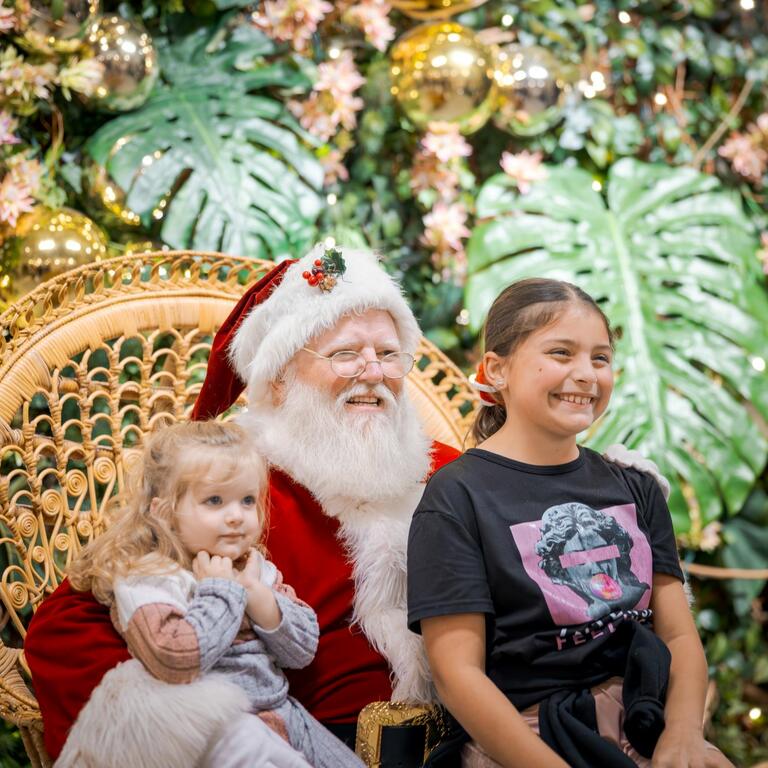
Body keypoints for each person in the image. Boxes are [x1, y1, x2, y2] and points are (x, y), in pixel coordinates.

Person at [25, 247, 669, 765]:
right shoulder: (226, 487)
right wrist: (221, 725)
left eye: (389, 355)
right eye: (344, 354)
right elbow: (66, 630)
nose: (374, 372)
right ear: (277, 378)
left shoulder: (453, 473)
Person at [407, 278, 733, 768]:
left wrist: (683, 737)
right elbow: (458, 676)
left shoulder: (634, 485)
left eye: (600, 359)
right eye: (561, 353)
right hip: (526, 739)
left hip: (647, 724)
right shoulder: (457, 496)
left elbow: (680, 637)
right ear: (497, 369)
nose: (586, 374)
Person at [58, 420, 363, 768]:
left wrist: (260, 598)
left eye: (247, 500)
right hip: (219, 733)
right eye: (214, 500)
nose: (236, 516)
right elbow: (173, 660)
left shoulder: (252, 566)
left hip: (285, 715)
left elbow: (302, 650)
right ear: (164, 513)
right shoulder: (150, 576)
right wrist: (222, 593)